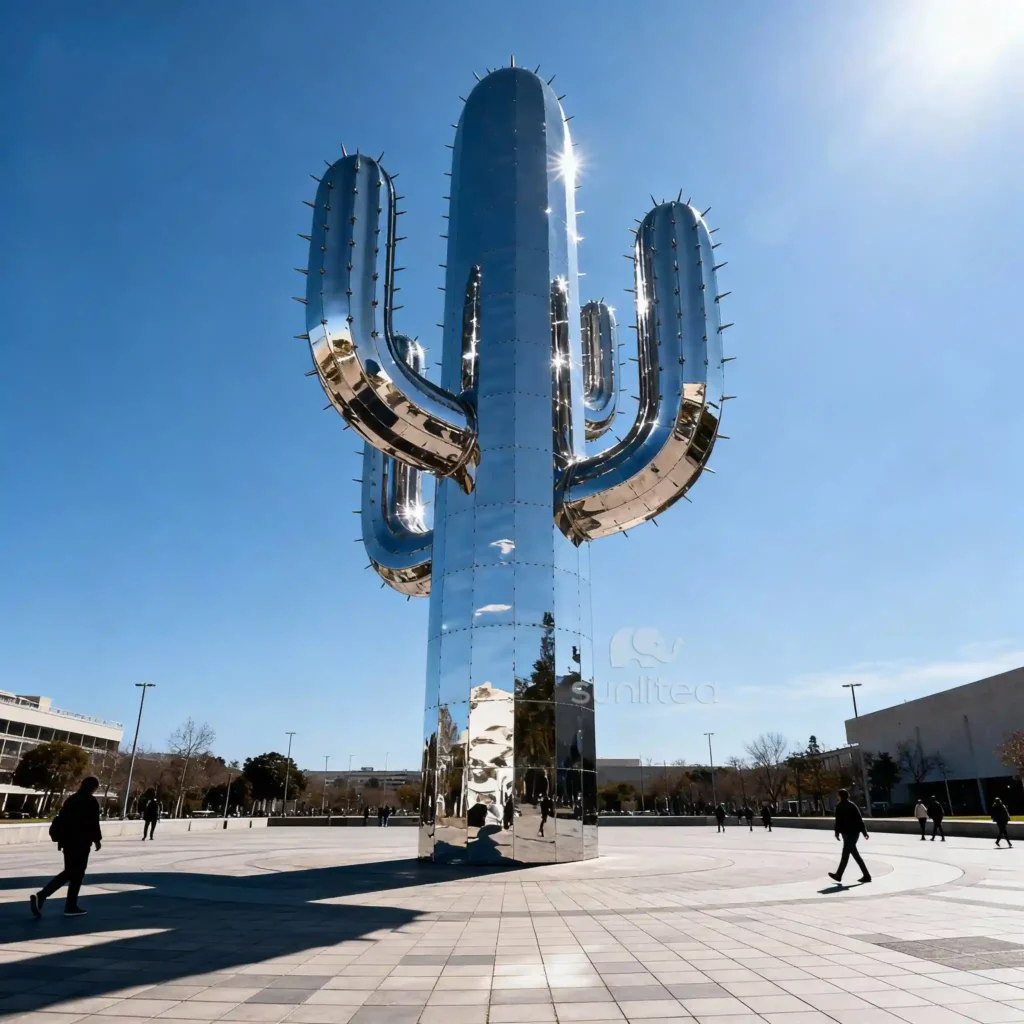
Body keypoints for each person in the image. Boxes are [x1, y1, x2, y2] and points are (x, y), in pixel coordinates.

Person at [31, 777, 103, 918]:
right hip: (81, 842)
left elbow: (62, 819)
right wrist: (97, 840)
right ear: (93, 788)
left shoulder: (72, 799)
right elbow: (93, 823)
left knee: (71, 872)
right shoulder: (91, 801)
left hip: (68, 842)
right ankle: (49, 898)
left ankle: (67, 904)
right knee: (75, 874)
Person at [828, 789, 871, 885]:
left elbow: (838, 821)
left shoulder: (839, 806)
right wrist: (864, 832)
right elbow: (859, 819)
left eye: (838, 795)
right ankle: (840, 875)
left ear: (840, 796)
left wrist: (837, 833)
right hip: (854, 833)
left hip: (848, 834)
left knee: (850, 855)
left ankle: (865, 875)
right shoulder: (852, 805)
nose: (837, 797)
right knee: (849, 854)